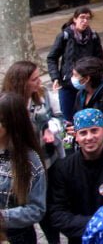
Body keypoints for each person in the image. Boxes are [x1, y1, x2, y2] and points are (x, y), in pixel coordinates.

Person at [47, 109, 103, 244]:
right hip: (80, 239)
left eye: (94, 130)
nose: (89, 137)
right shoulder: (63, 168)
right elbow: (57, 214)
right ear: (76, 136)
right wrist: (102, 224)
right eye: (83, 133)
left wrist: (98, 226)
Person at [0, 92, 46, 244]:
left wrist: (2, 217)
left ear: (11, 123)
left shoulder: (30, 161)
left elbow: (36, 210)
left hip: (16, 237)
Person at [47, 6, 103, 121]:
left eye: (88, 18)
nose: (85, 21)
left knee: (88, 119)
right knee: (68, 119)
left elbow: (99, 60)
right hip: (68, 84)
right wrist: (55, 78)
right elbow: (52, 58)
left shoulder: (93, 36)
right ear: (75, 19)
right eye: (82, 18)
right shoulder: (65, 36)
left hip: (87, 84)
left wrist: (97, 78)